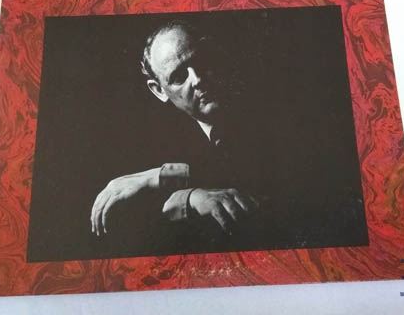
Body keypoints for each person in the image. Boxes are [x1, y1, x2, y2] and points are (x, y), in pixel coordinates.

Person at [89, 19, 366, 253]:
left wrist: (171, 187)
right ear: (159, 90)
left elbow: (268, 187)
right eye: (179, 76)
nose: (197, 78)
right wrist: (190, 196)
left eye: (201, 62)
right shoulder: (156, 142)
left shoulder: (286, 112)